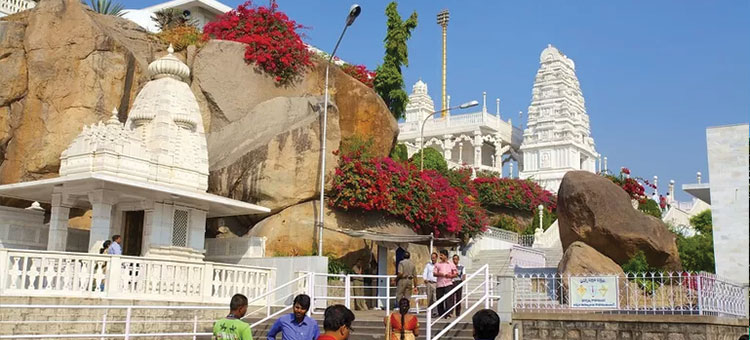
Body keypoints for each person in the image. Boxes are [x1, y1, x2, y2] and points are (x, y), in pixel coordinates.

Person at [433, 249, 457, 318]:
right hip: (440, 284)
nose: (440, 256)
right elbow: (434, 273)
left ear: (446, 256)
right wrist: (440, 274)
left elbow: (455, 274)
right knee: (439, 298)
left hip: (448, 283)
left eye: (442, 255)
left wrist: (450, 276)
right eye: (440, 255)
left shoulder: (451, 264)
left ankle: (448, 313)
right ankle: (441, 313)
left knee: (449, 299)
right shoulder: (437, 264)